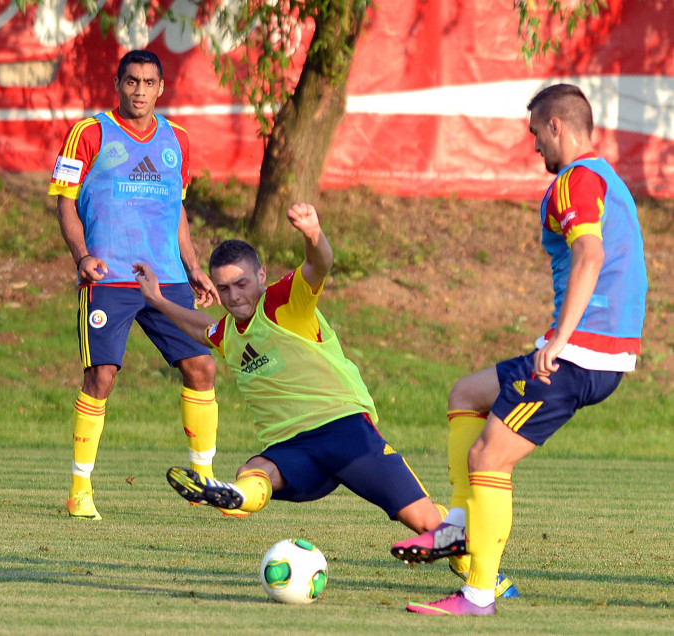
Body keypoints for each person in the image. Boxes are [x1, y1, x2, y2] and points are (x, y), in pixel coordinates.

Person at [134, 202, 516, 596]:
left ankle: (480, 572)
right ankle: (233, 495)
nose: (233, 296)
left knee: (424, 523)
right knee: (257, 468)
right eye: (225, 288)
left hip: (345, 432)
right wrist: (159, 301)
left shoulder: (282, 302)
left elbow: (319, 265)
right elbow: (204, 330)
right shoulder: (230, 331)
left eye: (242, 284)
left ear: (261, 276)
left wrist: (313, 233)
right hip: (293, 449)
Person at [393, 84, 647, 615]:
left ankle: (478, 594)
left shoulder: (575, 180)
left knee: (488, 458)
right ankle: (458, 528)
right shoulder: (607, 177)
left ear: (557, 126)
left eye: (535, 134)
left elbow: (590, 256)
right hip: (597, 351)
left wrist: (559, 341)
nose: (533, 147)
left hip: (578, 356)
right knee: (467, 393)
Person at [47, 50, 220, 520]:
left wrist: (194, 266)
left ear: (161, 87)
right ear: (117, 84)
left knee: (202, 367)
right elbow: (64, 202)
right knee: (101, 376)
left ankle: (204, 481)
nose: (139, 90)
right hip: (109, 277)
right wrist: (82, 257)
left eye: (148, 82)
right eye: (131, 81)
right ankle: (80, 490)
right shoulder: (89, 133)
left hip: (166, 277)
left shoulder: (178, 140)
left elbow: (176, 208)